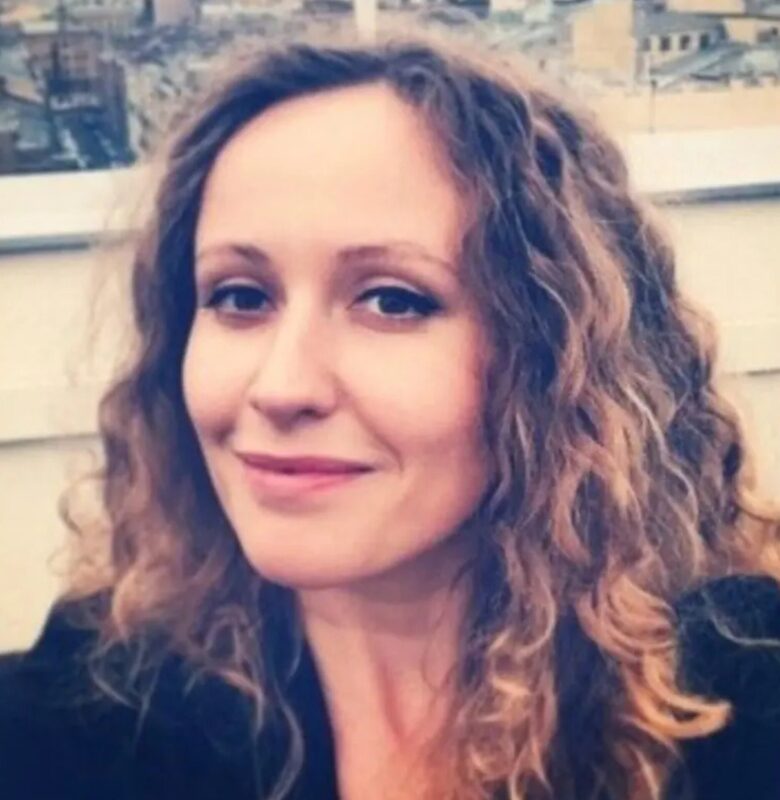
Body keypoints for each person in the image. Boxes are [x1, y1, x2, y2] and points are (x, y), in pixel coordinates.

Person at [1, 33, 779, 800]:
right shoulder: (99, 699)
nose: (281, 386)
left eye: (393, 301)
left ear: (555, 357)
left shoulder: (735, 699)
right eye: (240, 296)